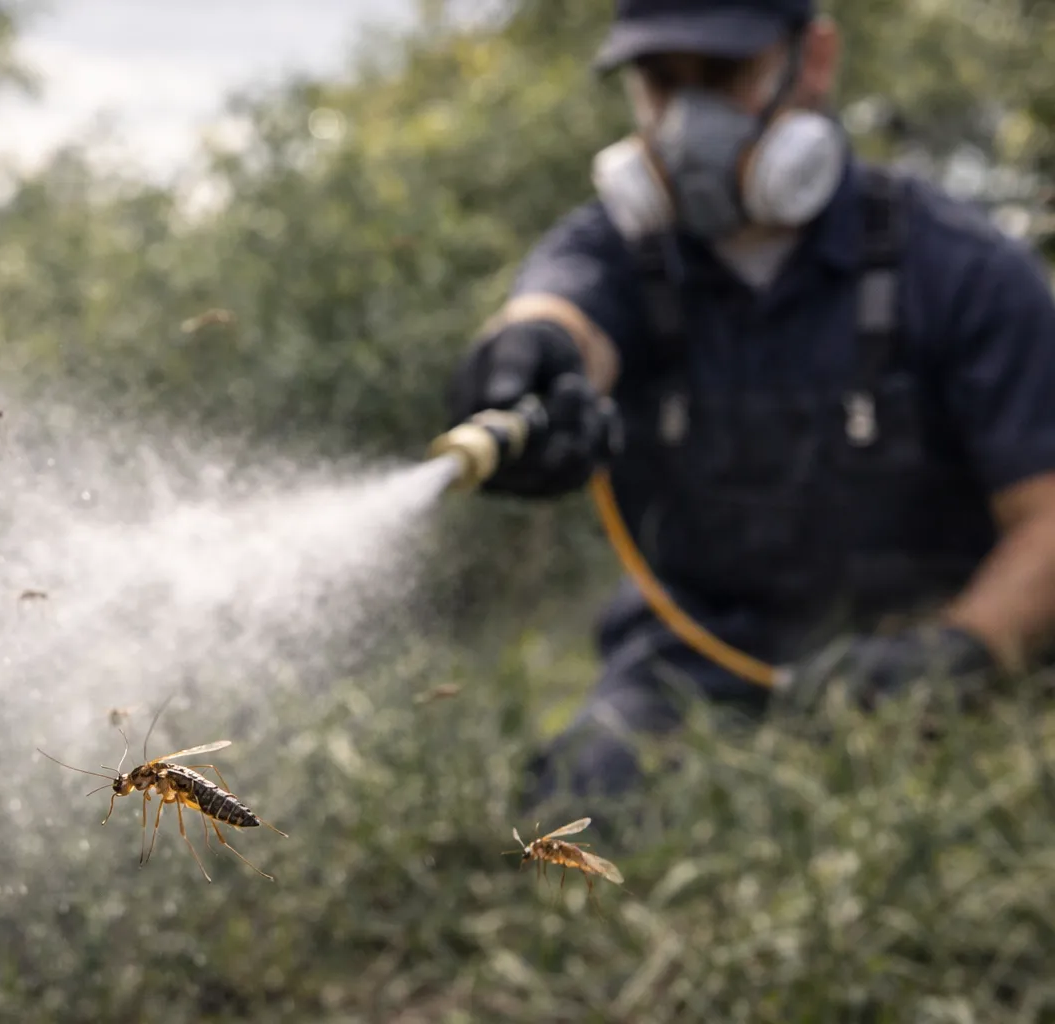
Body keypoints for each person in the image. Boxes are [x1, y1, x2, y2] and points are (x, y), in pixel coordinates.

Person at [445, 0, 1055, 814]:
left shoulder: (961, 269)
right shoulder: (613, 251)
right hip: (692, 660)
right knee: (583, 797)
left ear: (816, 61)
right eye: (663, 82)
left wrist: (961, 650)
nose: (689, 122)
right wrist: (525, 367)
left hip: (924, 651)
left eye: (725, 75)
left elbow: (1045, 517)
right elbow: (561, 317)